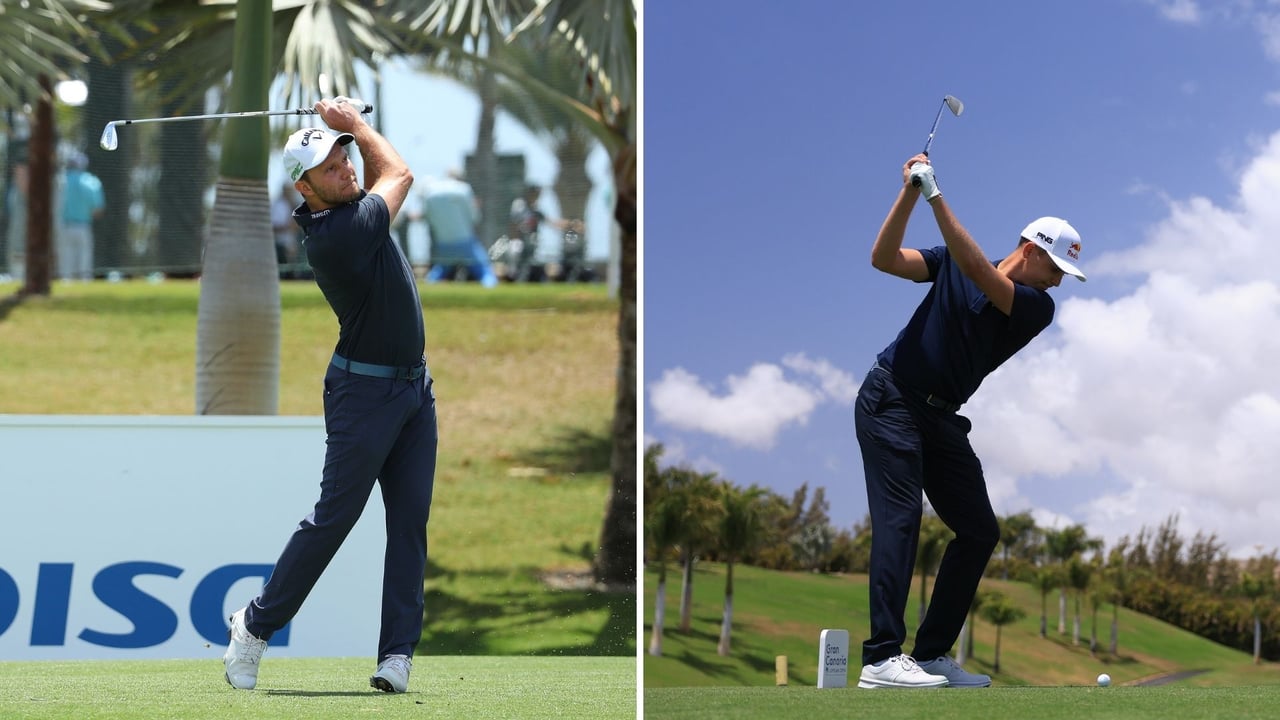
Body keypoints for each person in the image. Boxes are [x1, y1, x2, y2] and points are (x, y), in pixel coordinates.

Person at [222, 96, 438, 695]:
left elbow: (375, 179)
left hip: (414, 391)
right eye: (330, 167)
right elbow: (399, 174)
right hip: (362, 395)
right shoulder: (340, 232)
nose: (345, 168)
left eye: (345, 158)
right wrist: (358, 125)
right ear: (307, 189)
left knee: (409, 522)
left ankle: (396, 654)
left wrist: (344, 133)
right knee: (334, 519)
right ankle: (254, 627)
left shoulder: (353, 210)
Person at [853, 154, 1085, 689]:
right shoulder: (950, 260)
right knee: (901, 520)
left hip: (941, 419)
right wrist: (911, 192)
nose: (1057, 283)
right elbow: (883, 259)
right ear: (1030, 251)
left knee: (979, 530)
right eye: (1055, 269)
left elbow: (980, 270)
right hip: (890, 399)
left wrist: (936, 194)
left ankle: (932, 654)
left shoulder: (1035, 308)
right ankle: (882, 659)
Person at [420, 169, 498, 287]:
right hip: (465, 241)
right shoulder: (464, 189)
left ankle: (425, 292)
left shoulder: (431, 192)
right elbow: (474, 217)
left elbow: (428, 217)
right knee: (484, 270)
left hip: (443, 242)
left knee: (439, 271)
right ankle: (491, 290)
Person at [57, 151, 105, 281]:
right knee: (84, 260)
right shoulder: (92, 182)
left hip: (64, 226)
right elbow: (98, 209)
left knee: (66, 261)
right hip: (84, 226)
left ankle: (66, 284)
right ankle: (84, 283)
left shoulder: (60, 181)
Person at [271, 180, 304, 278]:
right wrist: (287, 227)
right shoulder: (277, 205)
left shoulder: (293, 204)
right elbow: (274, 227)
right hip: (279, 242)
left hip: (292, 242)